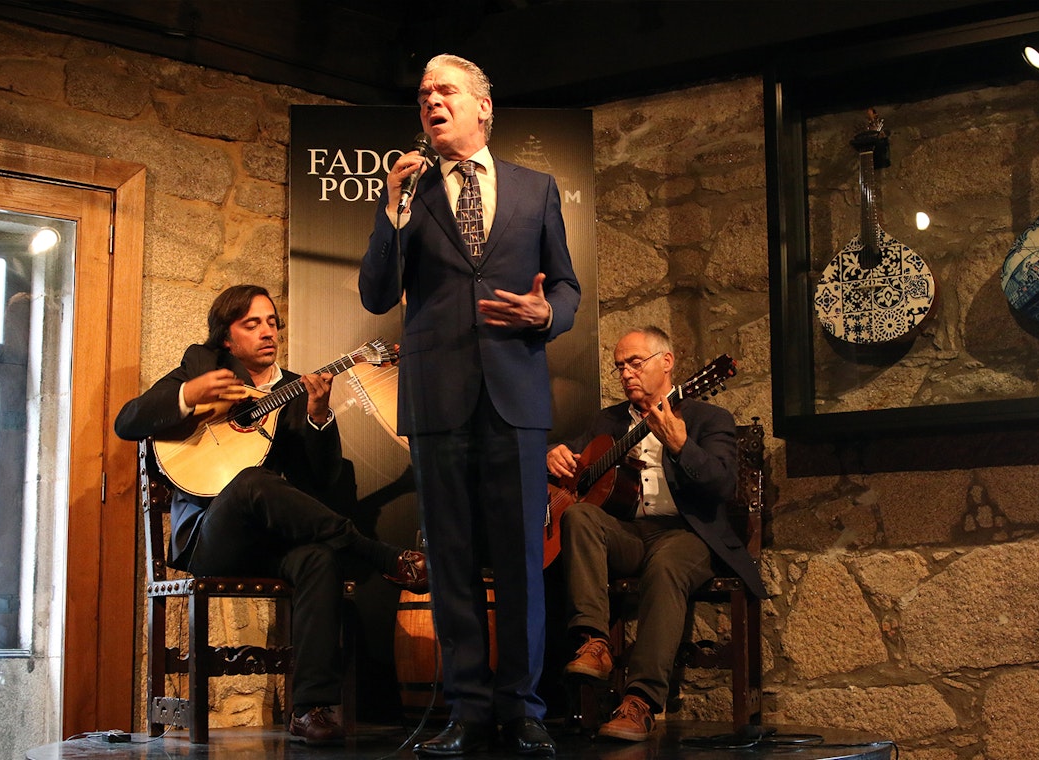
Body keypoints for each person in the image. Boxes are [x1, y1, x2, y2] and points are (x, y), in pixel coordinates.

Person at [359, 54, 580, 757]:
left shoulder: (534, 188)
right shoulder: (411, 195)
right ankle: (467, 709)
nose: (431, 101)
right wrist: (392, 209)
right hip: (436, 399)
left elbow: (568, 290)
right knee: (450, 560)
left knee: (520, 557)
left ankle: (523, 707)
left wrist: (547, 313)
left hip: (514, 396)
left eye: (446, 90)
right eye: (423, 94)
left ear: (485, 106)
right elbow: (374, 293)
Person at [114, 284, 428, 746]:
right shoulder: (203, 365)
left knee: (319, 557)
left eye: (272, 322)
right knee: (252, 481)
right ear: (227, 337)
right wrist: (188, 393)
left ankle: (310, 709)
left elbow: (322, 482)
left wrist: (320, 415)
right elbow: (127, 421)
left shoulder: (297, 388)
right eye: (252, 323)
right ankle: (377, 555)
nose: (268, 332)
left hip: (271, 544)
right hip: (208, 536)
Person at [547, 326, 763, 742]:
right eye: (619, 367)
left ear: (667, 363)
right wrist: (551, 456)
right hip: (628, 534)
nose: (626, 373)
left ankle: (639, 703)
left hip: (687, 534)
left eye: (634, 362)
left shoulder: (709, 418)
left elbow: (723, 486)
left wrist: (683, 446)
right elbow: (572, 464)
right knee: (578, 518)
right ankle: (594, 644)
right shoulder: (606, 421)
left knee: (665, 567)